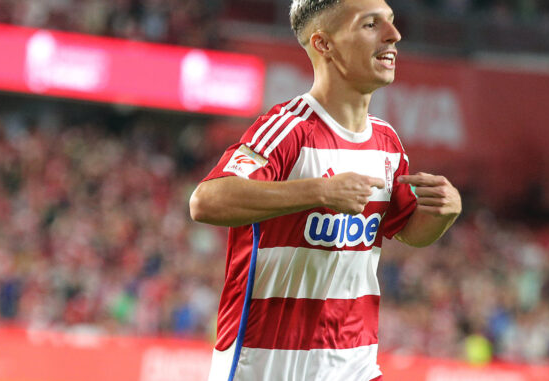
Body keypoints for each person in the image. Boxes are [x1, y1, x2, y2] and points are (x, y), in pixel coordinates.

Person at [189, 0, 462, 380]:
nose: (394, 35)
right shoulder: (288, 129)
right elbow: (207, 200)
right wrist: (320, 192)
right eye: (371, 25)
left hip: (355, 365)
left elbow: (408, 231)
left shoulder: (387, 142)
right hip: (268, 366)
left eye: (391, 22)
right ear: (324, 44)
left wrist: (443, 214)